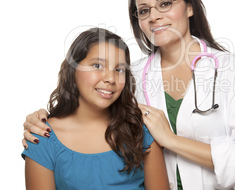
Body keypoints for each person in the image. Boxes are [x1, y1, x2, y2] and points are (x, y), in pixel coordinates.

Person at [22, 0, 235, 189]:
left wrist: (171, 140)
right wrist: (42, 119)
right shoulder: (127, 77)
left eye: (165, 4)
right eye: (144, 10)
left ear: (189, 7)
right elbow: (87, 115)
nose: (154, 16)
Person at [22, 28, 169, 189]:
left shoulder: (140, 131)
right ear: (73, 69)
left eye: (119, 69)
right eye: (97, 65)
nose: (110, 78)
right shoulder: (42, 137)